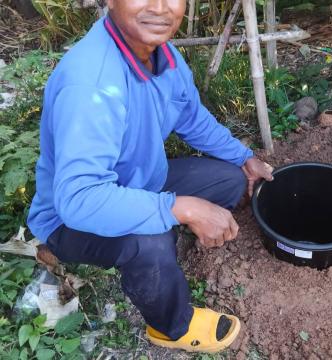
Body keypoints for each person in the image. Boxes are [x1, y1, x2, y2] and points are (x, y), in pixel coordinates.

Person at [27, 0, 274, 353]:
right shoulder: (92, 83)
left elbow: (192, 118)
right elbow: (79, 199)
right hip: (70, 218)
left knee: (230, 180)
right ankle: (171, 326)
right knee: (150, 241)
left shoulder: (164, 56)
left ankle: (161, 216)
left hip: (139, 181)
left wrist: (245, 158)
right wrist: (182, 209)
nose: (160, 7)